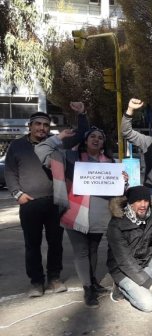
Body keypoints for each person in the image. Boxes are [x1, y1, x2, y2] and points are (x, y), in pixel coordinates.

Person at [35, 113, 117, 308]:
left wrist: (123, 180)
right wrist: (59, 137)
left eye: (100, 137)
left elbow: (116, 188)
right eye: (92, 136)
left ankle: (93, 283)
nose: (96, 139)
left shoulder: (110, 162)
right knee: (81, 252)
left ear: (103, 143)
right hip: (75, 212)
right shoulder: (70, 158)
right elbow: (41, 149)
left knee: (94, 250)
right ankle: (88, 290)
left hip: (100, 214)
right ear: (85, 140)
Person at [4, 112, 67, 297]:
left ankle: (54, 278)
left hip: (55, 202)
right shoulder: (17, 146)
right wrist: (18, 194)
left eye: (45, 125)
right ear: (29, 126)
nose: (42, 128)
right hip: (29, 203)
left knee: (56, 243)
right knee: (32, 245)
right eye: (38, 124)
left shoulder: (56, 145)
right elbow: (9, 172)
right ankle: (36, 282)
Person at [106, 186, 152, 312]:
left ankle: (143, 282)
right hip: (123, 270)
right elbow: (125, 262)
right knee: (149, 304)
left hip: (145, 261)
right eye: (138, 201)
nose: (143, 205)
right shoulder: (116, 224)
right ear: (130, 203)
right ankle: (120, 289)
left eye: (146, 201)